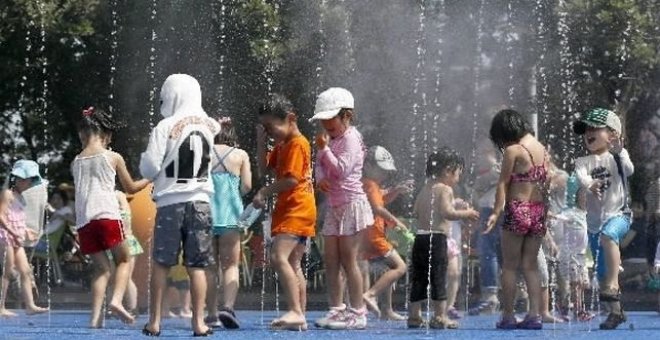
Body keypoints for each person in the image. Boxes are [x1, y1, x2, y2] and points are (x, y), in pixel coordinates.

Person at [140, 74, 220, 337]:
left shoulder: (164, 126)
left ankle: (155, 322)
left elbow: (149, 168)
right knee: (197, 266)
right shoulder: (209, 126)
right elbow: (216, 130)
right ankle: (199, 323)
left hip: (171, 202)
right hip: (201, 202)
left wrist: (147, 160)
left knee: (162, 262)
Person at [71, 107, 150, 327]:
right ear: (105, 135)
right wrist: (150, 178)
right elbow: (131, 188)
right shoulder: (112, 157)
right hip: (107, 216)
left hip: (84, 222)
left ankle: (95, 320)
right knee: (124, 260)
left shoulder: (76, 161)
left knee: (101, 269)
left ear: (82, 134)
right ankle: (116, 301)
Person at [253, 94, 316, 330]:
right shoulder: (283, 145)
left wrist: (264, 192)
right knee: (293, 262)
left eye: (271, 127)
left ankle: (295, 311)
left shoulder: (298, 144)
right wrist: (261, 143)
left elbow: (291, 180)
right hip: (296, 209)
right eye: (265, 128)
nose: (269, 132)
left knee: (278, 257)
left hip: (296, 209)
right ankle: (300, 315)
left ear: (290, 119)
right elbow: (262, 169)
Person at [311, 88, 373, 330]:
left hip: (352, 205)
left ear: (347, 115)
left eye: (331, 118)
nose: (326, 124)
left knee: (349, 259)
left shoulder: (351, 138)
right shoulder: (329, 139)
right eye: (323, 120)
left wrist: (325, 151)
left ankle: (358, 312)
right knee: (331, 260)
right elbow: (320, 167)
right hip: (335, 206)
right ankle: (336, 310)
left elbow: (341, 170)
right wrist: (319, 179)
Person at [484, 109, 550, 330]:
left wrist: (495, 212)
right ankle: (534, 315)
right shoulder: (542, 149)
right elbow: (546, 183)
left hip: (517, 208)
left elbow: (503, 183)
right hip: (538, 210)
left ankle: (508, 315)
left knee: (510, 266)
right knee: (530, 266)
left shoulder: (513, 150)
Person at [573, 108, 633, 330]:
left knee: (609, 236)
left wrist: (621, 151)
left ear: (612, 133)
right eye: (586, 129)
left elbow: (629, 171)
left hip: (620, 215)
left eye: (594, 128)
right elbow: (581, 177)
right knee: (601, 273)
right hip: (594, 223)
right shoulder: (582, 161)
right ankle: (616, 313)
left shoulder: (618, 156)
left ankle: (614, 284)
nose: (588, 132)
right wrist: (590, 184)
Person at [408, 148, 479, 329]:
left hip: (421, 238)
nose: (458, 178)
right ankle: (440, 316)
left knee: (419, 278)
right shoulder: (446, 189)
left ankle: (414, 316)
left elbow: (416, 211)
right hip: (437, 238)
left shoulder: (426, 187)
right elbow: (447, 213)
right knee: (438, 277)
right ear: (448, 170)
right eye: (457, 174)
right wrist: (467, 213)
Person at [205, 116, 252, 329]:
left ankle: (212, 314)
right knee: (231, 264)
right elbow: (248, 186)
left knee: (209, 267)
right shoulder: (241, 155)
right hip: (232, 216)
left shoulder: (203, 153)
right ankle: (228, 307)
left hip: (206, 215)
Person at [360, 145, 411, 321]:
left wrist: (395, 190)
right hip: (375, 236)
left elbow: (381, 199)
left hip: (365, 236)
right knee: (400, 267)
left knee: (387, 269)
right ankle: (371, 294)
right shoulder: (371, 185)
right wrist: (396, 222)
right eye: (381, 170)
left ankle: (385, 309)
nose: (385, 174)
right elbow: (378, 208)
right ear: (367, 166)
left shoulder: (365, 183)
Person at [0, 160, 49, 317]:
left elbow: (17, 218)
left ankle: (30, 305)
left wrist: (25, 230)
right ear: (19, 179)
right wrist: (12, 232)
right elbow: (1, 216)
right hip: (6, 237)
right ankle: (1, 307)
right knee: (7, 272)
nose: (30, 184)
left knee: (26, 271)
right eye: (29, 180)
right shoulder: (7, 194)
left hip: (16, 239)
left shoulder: (20, 197)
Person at [469, 140, 502, 315]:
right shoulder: (489, 169)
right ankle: (498, 294)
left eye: (482, 152)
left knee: (489, 252)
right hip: (490, 208)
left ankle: (491, 296)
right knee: (493, 253)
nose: (478, 156)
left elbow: (486, 184)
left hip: (493, 209)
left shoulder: (496, 167)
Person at [116, 191, 142, 316]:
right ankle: (124, 306)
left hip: (126, 242)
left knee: (126, 277)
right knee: (118, 277)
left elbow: (125, 223)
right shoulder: (119, 196)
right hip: (124, 242)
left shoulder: (117, 195)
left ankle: (132, 308)